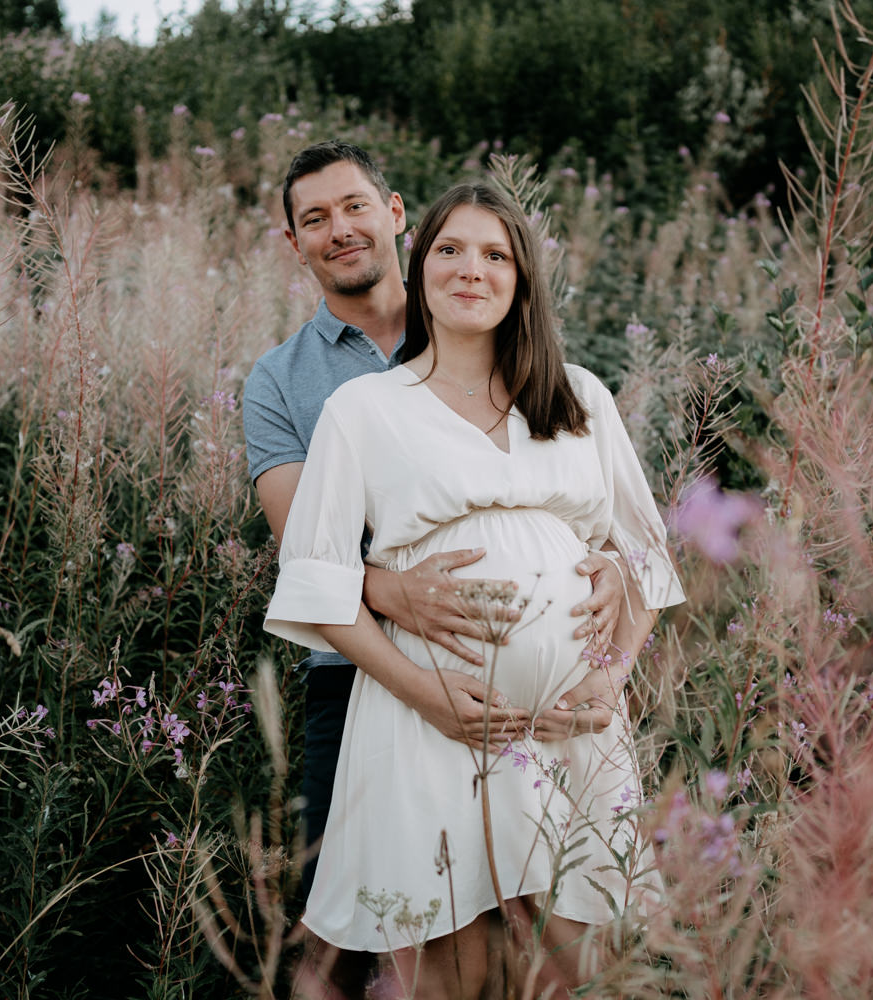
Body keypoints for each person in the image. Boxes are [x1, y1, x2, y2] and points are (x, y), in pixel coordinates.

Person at [263, 181, 685, 999]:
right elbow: (318, 585)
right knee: (450, 975)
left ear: (521, 280)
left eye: (496, 255)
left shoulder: (580, 397)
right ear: (419, 267)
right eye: (451, 250)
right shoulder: (364, 409)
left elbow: (645, 560)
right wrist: (427, 695)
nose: (471, 269)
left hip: (571, 728)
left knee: (574, 970)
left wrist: (612, 676)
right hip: (429, 723)